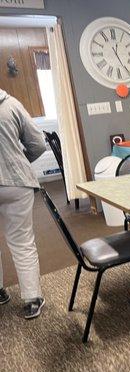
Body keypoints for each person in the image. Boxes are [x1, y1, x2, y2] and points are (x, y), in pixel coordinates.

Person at [0, 89, 46, 319]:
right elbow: (38, 144)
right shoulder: (11, 105)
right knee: (21, 242)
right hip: (16, 184)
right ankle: (31, 300)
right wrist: (17, 163)